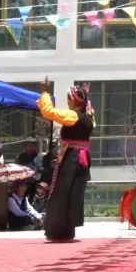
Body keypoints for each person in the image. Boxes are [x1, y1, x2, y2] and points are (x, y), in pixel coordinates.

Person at [36, 82, 95, 242]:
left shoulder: (73, 116)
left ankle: (59, 230)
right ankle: (66, 230)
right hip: (80, 157)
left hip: (72, 158)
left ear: (74, 100)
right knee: (72, 193)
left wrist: (45, 93)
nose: (67, 102)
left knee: (62, 192)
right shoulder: (89, 116)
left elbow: (49, 112)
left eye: (68, 98)